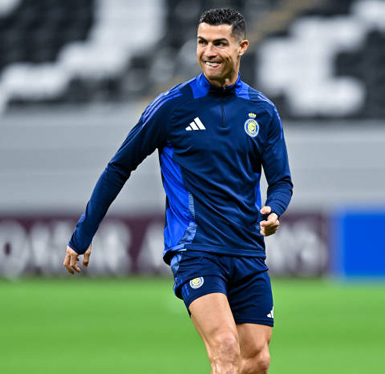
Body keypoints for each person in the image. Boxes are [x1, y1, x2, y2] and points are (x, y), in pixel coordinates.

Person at [64, 8, 292, 374]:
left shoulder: (261, 111)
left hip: (248, 249)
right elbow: (119, 166)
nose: (209, 52)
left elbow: (281, 181)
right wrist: (83, 233)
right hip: (195, 248)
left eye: (220, 43)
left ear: (242, 47)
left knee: (257, 359)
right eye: (202, 42)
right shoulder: (173, 107)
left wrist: (274, 209)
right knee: (225, 347)